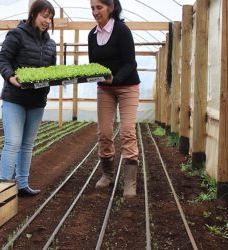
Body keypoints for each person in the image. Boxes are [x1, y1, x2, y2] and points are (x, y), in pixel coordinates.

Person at [0, 0, 56, 197]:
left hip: (37, 101)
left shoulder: (50, 44)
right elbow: (3, 59)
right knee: (13, 142)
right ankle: (4, 187)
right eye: (44, 16)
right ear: (34, 14)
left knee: (27, 144)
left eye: (50, 17)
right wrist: (10, 77)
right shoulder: (16, 34)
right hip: (14, 98)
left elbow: (51, 71)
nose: (47, 20)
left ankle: (22, 184)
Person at [88, 0, 140, 197]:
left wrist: (115, 78)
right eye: (92, 8)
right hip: (105, 89)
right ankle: (108, 175)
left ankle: (129, 181)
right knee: (104, 132)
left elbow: (130, 63)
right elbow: (93, 65)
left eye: (99, 7)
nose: (95, 12)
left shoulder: (121, 30)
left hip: (127, 87)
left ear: (110, 8)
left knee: (127, 131)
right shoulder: (92, 35)